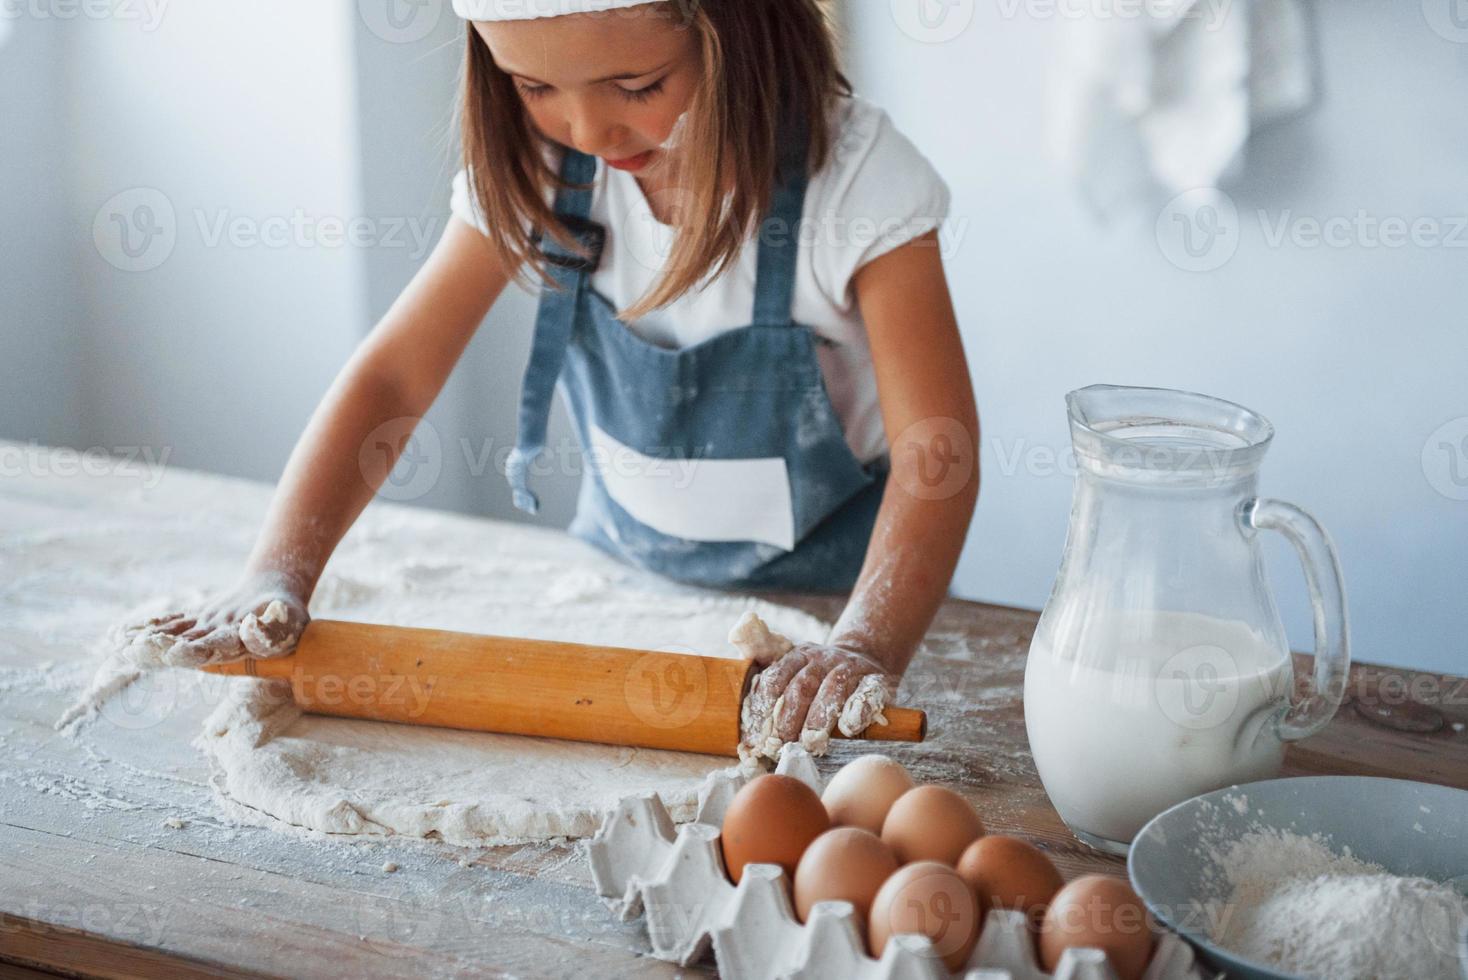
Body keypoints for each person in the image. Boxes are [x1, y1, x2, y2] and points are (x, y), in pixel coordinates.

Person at [123, 0, 979, 752]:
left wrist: (863, 646)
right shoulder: (545, 170)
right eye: (534, 88)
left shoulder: (855, 181)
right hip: (624, 599)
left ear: (739, 28)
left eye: (637, 87)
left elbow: (935, 451)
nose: (588, 131)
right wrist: (277, 571)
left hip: (830, 616)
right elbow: (393, 381)